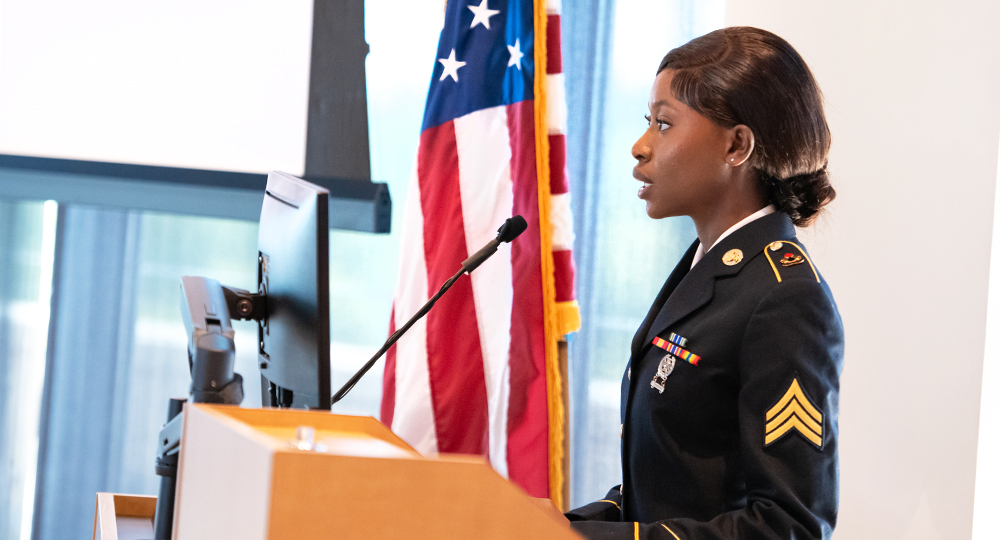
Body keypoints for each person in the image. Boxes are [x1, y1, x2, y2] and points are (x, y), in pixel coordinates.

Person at [565, 27, 844, 540]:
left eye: (664, 124)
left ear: (736, 145)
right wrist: (564, 526)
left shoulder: (784, 296)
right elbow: (669, 485)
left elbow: (789, 526)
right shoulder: (706, 268)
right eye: (647, 122)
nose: (640, 146)